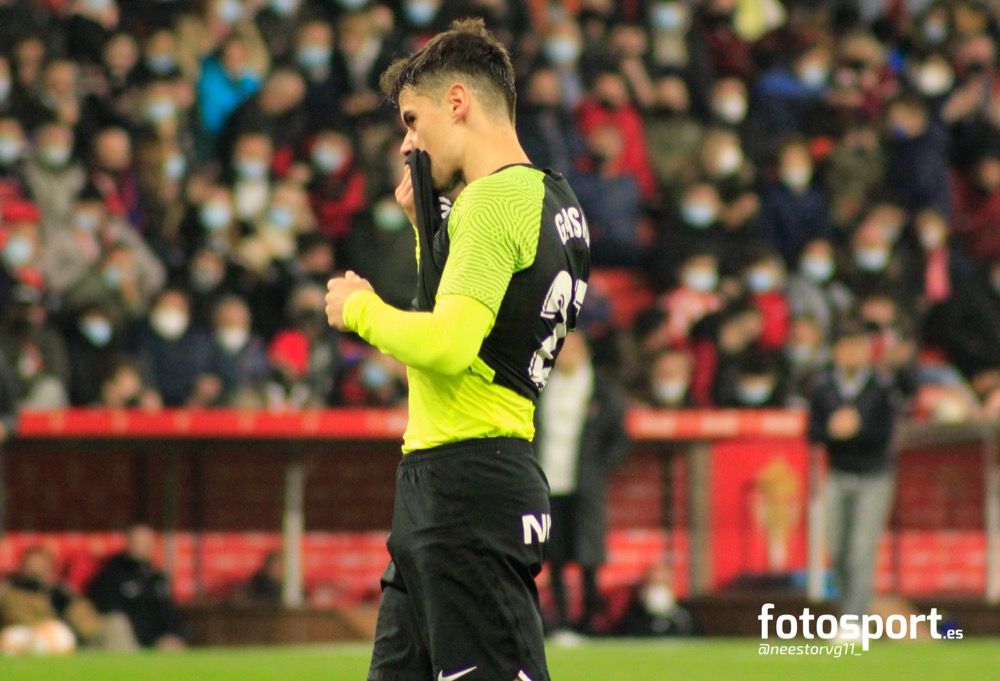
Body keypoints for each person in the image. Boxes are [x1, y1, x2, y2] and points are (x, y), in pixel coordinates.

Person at [324, 19, 590, 681]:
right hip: (455, 479)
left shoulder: (491, 201)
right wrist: (427, 232)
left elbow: (448, 343)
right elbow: (481, 330)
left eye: (413, 121)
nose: (408, 143)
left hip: (467, 488)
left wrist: (358, 310)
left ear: (458, 101)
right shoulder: (554, 198)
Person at [534, 332, 629, 636]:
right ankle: (560, 619)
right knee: (554, 553)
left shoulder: (602, 389)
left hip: (585, 485)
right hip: (547, 481)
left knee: (588, 554)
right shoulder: (540, 386)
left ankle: (590, 619)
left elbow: (620, 438)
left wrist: (598, 469)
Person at [808, 320, 899, 622]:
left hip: (873, 476)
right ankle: (847, 610)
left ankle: (854, 619)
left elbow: (886, 434)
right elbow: (812, 432)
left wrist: (857, 428)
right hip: (837, 475)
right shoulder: (823, 387)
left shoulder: (881, 387)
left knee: (861, 552)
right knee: (837, 551)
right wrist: (832, 430)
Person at [86, 524, 186, 650]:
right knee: (116, 623)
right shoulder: (111, 575)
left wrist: (174, 635)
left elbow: (170, 614)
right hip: (129, 642)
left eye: (148, 542)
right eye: (139, 542)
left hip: (161, 643)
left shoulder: (158, 579)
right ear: (128, 542)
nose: (145, 546)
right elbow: (109, 612)